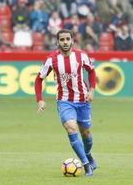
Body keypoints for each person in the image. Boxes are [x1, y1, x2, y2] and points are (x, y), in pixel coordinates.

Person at [34, 29, 97, 176]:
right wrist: (40, 100)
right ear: (57, 42)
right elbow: (39, 79)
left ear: (72, 40)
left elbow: (92, 71)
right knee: (71, 128)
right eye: (62, 40)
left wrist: (92, 90)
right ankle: (86, 165)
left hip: (82, 100)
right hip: (64, 101)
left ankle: (87, 154)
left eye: (68, 39)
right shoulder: (51, 59)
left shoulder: (81, 56)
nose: (65, 42)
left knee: (86, 132)